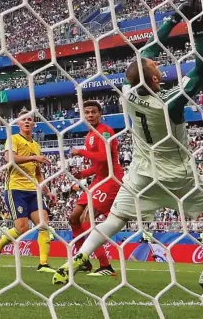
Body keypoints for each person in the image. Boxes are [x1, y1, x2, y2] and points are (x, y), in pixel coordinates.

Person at [52, 0, 203, 289]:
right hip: (176, 173)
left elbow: (147, 50)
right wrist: (197, 27)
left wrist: (173, 19)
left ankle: (78, 258)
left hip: (141, 172)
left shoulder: (127, 90)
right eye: (154, 65)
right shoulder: (169, 103)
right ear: (154, 78)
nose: (156, 61)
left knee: (116, 218)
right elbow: (201, 69)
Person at [0, 110, 57, 272]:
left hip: (34, 191)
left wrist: (48, 192)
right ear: (18, 123)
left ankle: (43, 263)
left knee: (43, 223)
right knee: (22, 228)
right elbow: (9, 159)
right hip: (15, 189)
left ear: (33, 124)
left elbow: (38, 174)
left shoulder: (36, 146)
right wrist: (33, 158)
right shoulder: (13, 139)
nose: (26, 121)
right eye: (23, 119)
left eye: (29, 119)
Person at [65, 100, 124, 277]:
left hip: (111, 180)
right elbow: (98, 165)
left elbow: (104, 157)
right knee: (74, 218)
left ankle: (106, 266)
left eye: (93, 112)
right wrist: (83, 174)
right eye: (87, 112)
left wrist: (80, 152)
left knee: (86, 219)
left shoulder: (105, 131)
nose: (90, 115)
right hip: (99, 179)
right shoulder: (89, 135)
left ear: (100, 114)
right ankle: (82, 260)